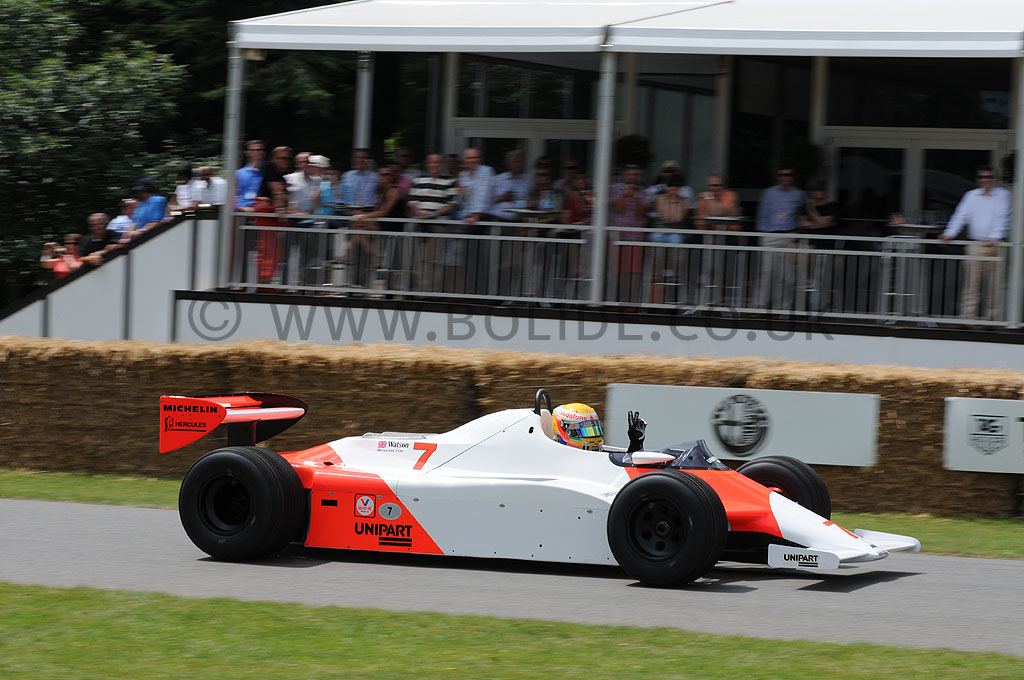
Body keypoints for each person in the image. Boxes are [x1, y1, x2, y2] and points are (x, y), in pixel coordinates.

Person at [939, 165, 1011, 321]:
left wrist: (995, 236)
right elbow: (960, 216)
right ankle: (967, 318)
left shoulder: (1003, 195)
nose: (985, 180)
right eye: (982, 177)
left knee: (994, 286)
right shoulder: (971, 196)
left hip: (997, 245)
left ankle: (991, 320)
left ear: (994, 179)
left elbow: (1003, 216)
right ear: (978, 179)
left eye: (988, 177)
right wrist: (949, 233)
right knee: (972, 284)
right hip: (976, 245)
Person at [409, 152, 459, 293]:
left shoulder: (450, 181)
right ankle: (422, 291)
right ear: (427, 164)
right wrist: (420, 213)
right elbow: (412, 202)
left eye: (437, 162)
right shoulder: (418, 180)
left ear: (442, 164)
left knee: (436, 260)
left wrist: (434, 214)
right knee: (422, 260)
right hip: (422, 225)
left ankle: (433, 292)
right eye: (432, 162)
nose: (434, 165)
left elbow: (452, 204)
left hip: (438, 226)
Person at [755, 168, 805, 309]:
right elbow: (762, 215)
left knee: (785, 274)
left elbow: (801, 216)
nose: (786, 177)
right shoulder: (769, 192)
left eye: (789, 175)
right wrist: (762, 235)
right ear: (778, 177)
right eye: (783, 175)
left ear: (793, 177)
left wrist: (796, 237)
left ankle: (781, 306)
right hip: (770, 235)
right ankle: (760, 305)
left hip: (789, 235)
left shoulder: (799, 194)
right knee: (766, 271)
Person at [351, 166, 406, 289]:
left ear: (391, 177)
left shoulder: (394, 190)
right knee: (357, 232)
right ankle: (375, 256)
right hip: (383, 224)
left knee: (358, 223)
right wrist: (362, 214)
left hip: (392, 226)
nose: (383, 177)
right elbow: (377, 210)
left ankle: (373, 256)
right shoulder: (382, 192)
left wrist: (364, 216)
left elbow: (385, 211)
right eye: (381, 175)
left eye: (386, 175)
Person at [457, 147, 494, 294]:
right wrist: (462, 194)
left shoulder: (486, 171)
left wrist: (476, 215)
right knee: (468, 257)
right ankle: (472, 290)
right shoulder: (463, 175)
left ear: (479, 159)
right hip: (468, 219)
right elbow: (462, 200)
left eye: (474, 158)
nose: (471, 161)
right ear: (465, 161)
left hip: (481, 217)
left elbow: (483, 194)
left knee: (477, 257)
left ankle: (481, 292)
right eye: (468, 158)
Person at [610, 165, 648, 305]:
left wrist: (635, 198)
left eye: (635, 175)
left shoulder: (643, 192)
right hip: (619, 236)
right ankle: (616, 302)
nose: (632, 177)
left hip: (635, 237)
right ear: (624, 175)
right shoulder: (616, 189)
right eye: (630, 174)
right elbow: (616, 209)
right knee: (617, 270)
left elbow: (642, 213)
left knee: (633, 271)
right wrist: (625, 195)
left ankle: (631, 303)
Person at [552, 403, 646, 454]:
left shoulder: (598, 455)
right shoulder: (555, 457)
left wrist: (636, 444)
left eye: (594, 430)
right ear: (564, 430)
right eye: (586, 431)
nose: (594, 437)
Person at [489, 150, 531, 222]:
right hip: (498, 220)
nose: (518, 165)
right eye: (515, 162)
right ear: (509, 163)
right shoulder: (497, 179)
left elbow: (533, 198)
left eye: (520, 162)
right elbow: (488, 201)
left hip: (520, 221)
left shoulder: (528, 180)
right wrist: (503, 197)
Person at [235, 140, 266, 211]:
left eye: (261, 150)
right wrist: (239, 208)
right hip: (242, 209)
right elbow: (234, 195)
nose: (258, 153)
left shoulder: (268, 171)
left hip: (263, 210)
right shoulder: (239, 173)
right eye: (253, 150)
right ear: (247, 153)